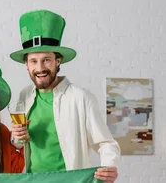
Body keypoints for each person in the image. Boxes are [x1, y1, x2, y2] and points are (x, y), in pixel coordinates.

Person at [8, 10, 120, 182]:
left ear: (57, 61)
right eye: (33, 61)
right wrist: (17, 136)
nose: (40, 68)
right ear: (26, 64)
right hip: (32, 179)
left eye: (46, 59)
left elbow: (106, 143)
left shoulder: (81, 98)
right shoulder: (25, 96)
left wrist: (109, 166)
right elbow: (17, 143)